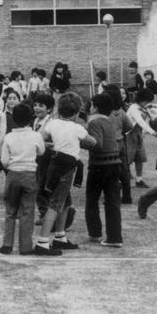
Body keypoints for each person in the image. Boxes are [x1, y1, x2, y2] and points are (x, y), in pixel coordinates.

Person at [35, 93, 96, 256]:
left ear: (58, 109)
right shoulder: (77, 128)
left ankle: (60, 237)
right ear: (77, 113)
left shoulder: (53, 123)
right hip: (66, 168)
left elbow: (40, 137)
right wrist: (77, 141)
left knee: (65, 201)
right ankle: (42, 242)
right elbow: (93, 143)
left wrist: (52, 143)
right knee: (55, 204)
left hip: (54, 164)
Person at [0, 103, 43, 255]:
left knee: (10, 210)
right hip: (30, 174)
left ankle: (7, 245)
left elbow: (4, 161)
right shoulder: (36, 135)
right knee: (28, 211)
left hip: (13, 174)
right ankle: (25, 246)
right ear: (31, 118)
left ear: (14, 119)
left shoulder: (9, 137)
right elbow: (42, 151)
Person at [84, 94, 124, 248]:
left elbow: (97, 144)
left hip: (99, 165)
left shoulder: (94, 122)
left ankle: (95, 233)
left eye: (92, 105)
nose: (91, 108)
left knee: (92, 200)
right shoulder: (110, 121)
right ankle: (115, 237)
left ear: (96, 107)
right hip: (115, 163)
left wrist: (80, 141)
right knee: (112, 201)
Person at [125, 89, 157, 188]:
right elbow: (140, 121)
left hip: (138, 134)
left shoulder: (143, 108)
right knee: (128, 157)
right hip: (129, 135)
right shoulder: (134, 108)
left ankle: (139, 180)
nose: (148, 103)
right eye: (147, 101)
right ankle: (124, 178)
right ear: (141, 100)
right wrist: (153, 132)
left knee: (140, 157)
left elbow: (153, 116)